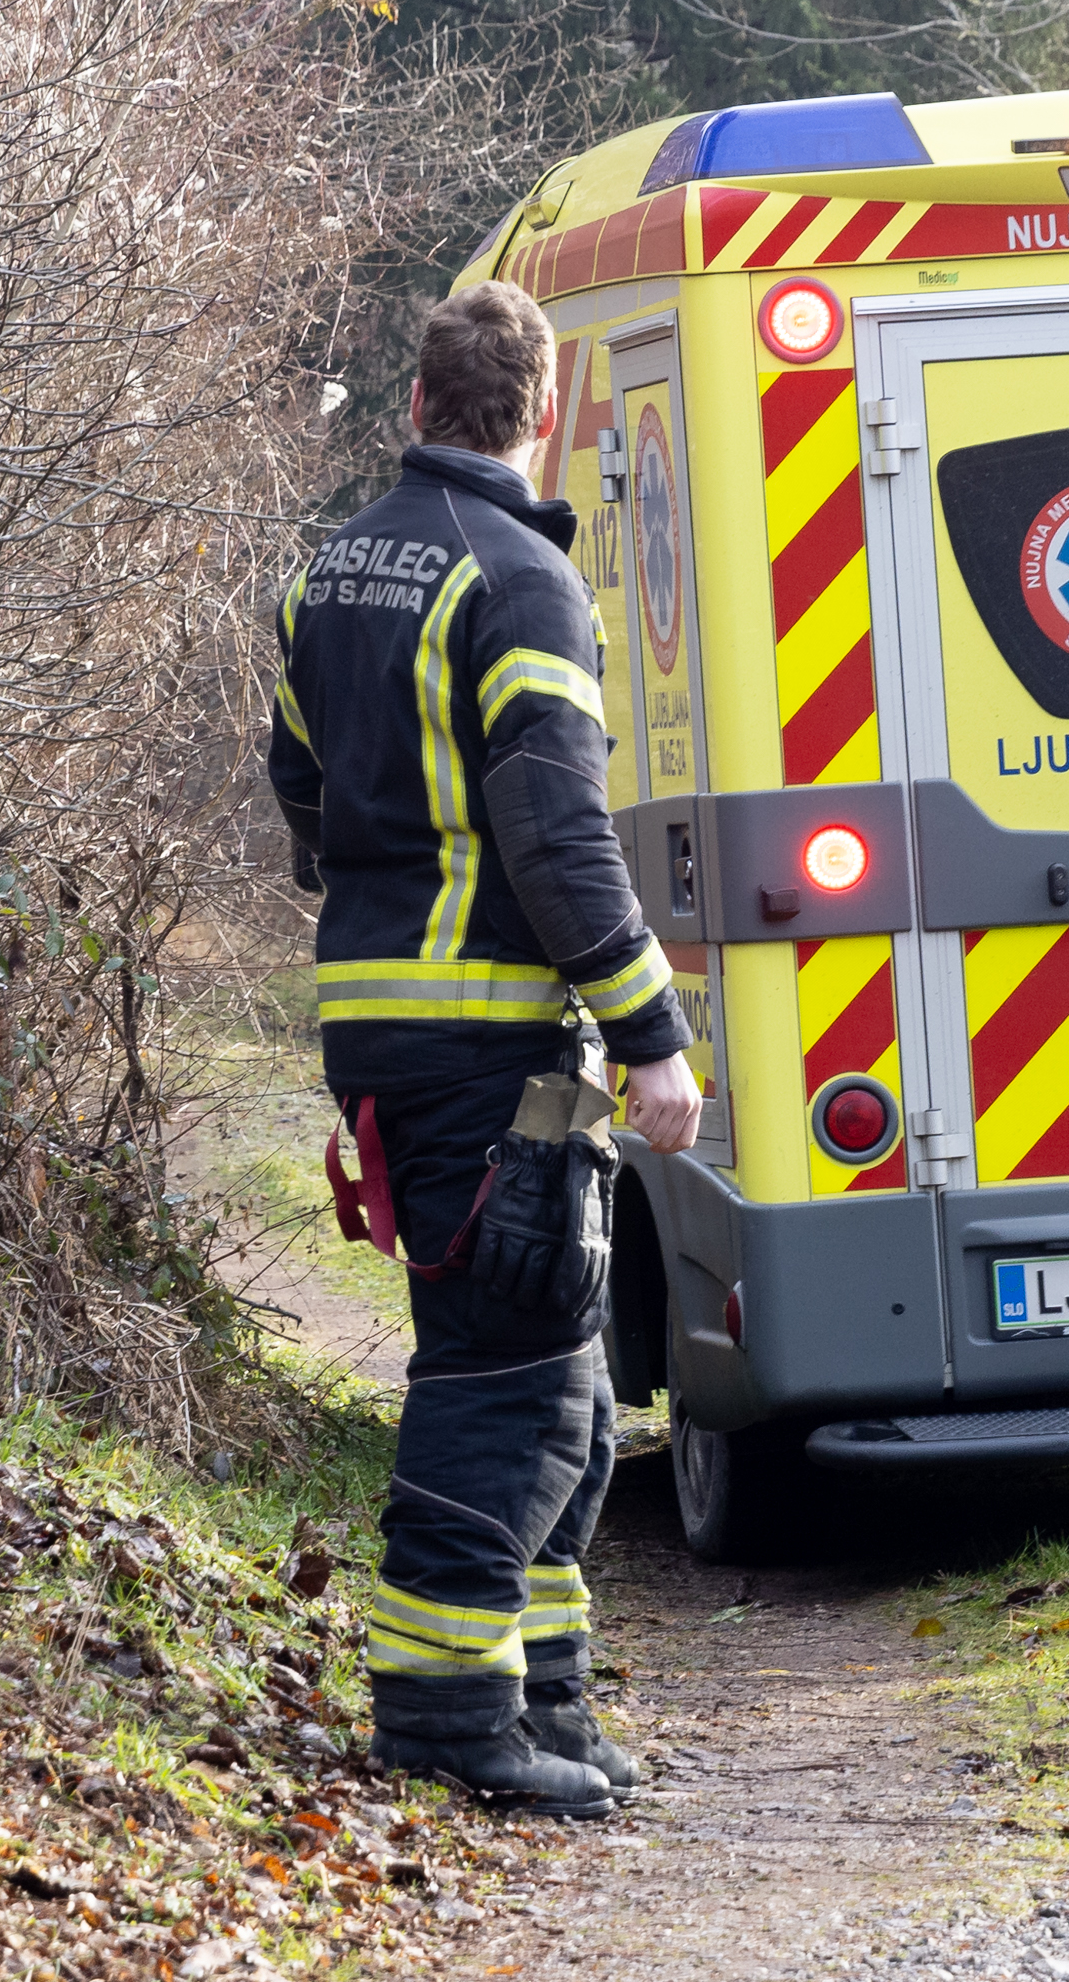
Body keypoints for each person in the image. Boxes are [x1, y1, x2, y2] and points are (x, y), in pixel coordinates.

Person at [263, 280, 705, 1818]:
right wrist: (653, 1034)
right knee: (504, 1368)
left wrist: (379, 890)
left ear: (415, 402)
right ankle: (446, 1716)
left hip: (399, 1031)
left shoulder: (331, 570)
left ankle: (546, 1699)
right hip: (483, 1038)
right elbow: (557, 833)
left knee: (568, 1379)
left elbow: (299, 784)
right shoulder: (520, 581)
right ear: (546, 406)